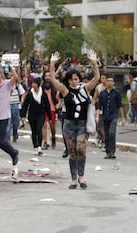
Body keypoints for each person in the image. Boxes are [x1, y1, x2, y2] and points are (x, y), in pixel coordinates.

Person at [49, 50, 100, 190]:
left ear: (79, 79)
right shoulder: (65, 91)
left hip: (82, 124)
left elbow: (96, 78)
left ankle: (81, 177)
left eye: (76, 79)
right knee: (72, 152)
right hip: (69, 124)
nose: (73, 81)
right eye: (71, 79)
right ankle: (73, 179)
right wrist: (52, 62)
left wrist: (94, 62)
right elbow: (53, 79)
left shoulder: (85, 89)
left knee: (81, 149)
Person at [95, 74, 125, 159]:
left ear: (114, 83)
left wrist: (122, 118)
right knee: (106, 135)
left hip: (113, 116)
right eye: (108, 81)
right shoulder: (102, 93)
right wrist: (97, 116)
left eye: (111, 81)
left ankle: (112, 151)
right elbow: (99, 106)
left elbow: (120, 106)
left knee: (112, 133)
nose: (110, 83)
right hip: (105, 116)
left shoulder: (117, 93)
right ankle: (108, 151)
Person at [21, 78, 51, 156]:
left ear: (38, 84)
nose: (33, 85)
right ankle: (35, 147)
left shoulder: (43, 94)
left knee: (39, 129)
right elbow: (25, 105)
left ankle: (39, 147)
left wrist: (49, 117)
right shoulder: (30, 94)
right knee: (33, 131)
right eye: (32, 83)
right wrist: (23, 116)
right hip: (32, 115)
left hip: (41, 114)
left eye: (35, 83)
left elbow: (47, 105)